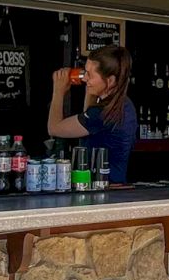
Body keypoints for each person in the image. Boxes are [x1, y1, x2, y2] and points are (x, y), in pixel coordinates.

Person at [49, 45, 137, 183]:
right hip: (116, 184)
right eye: (85, 71)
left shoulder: (101, 115)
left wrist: (58, 91)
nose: (84, 78)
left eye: (90, 74)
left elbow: (54, 128)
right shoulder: (124, 105)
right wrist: (91, 86)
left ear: (111, 81)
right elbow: (88, 115)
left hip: (103, 187)